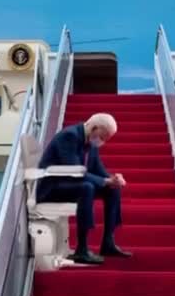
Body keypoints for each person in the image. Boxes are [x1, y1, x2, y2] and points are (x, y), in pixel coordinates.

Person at [37, 113, 133, 264]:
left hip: (71, 185)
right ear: (94, 128)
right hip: (52, 188)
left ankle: (108, 242)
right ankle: (81, 249)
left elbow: (98, 169)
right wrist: (104, 181)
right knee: (86, 187)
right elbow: (74, 172)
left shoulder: (90, 141)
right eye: (104, 136)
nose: (104, 141)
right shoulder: (69, 136)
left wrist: (113, 179)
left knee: (112, 189)